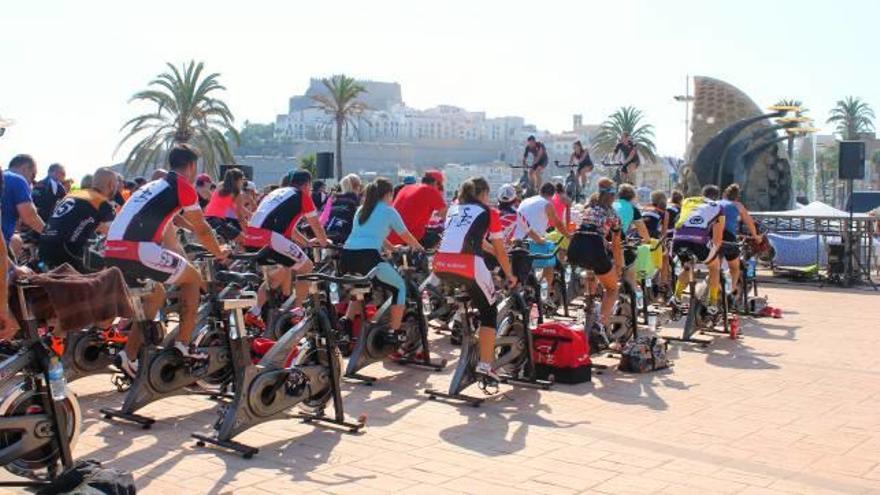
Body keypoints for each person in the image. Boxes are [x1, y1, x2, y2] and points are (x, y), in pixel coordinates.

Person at [104, 144, 229, 377]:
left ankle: (128, 356)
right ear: (192, 166)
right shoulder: (182, 186)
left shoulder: (155, 185)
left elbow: (176, 222)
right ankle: (184, 344)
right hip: (137, 249)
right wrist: (219, 252)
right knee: (192, 279)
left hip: (112, 249)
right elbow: (202, 230)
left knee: (156, 294)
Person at [433, 177, 517, 381]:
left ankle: (470, 339)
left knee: (474, 296)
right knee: (489, 311)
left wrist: (495, 254)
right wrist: (510, 273)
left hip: (441, 264)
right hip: (468, 264)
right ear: (482, 194)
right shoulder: (489, 212)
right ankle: (485, 365)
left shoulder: (454, 208)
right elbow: (499, 248)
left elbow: (473, 239)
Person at [340, 178, 423, 338]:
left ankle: (347, 323)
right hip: (367, 257)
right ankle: (394, 333)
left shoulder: (362, 209)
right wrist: (419, 248)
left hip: (347, 257)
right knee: (399, 287)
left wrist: (391, 248)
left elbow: (371, 233)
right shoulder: (388, 210)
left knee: (359, 288)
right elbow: (405, 235)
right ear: (389, 194)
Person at [244, 170, 329, 327]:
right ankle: (298, 311)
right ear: (307, 185)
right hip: (269, 237)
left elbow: (290, 230)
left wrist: (307, 243)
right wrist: (324, 242)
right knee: (307, 267)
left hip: (250, 237)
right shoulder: (302, 196)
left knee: (285, 269)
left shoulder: (279, 192)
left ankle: (254, 311)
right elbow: (315, 224)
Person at [38, 168, 117, 272]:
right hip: (67, 252)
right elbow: (115, 234)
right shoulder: (102, 203)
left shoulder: (72, 194)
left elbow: (81, 221)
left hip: (43, 247)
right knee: (107, 268)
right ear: (111, 185)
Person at [575, 178, 623, 340]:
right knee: (612, 288)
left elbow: (590, 230)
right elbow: (616, 244)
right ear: (612, 196)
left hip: (577, 249)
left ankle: (589, 305)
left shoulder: (587, 210)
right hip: (595, 250)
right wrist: (619, 265)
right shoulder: (612, 214)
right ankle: (600, 324)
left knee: (592, 272)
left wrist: (604, 242)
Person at [671, 185, 726, 312]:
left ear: (702, 194)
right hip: (698, 240)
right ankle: (712, 303)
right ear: (716, 198)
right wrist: (714, 250)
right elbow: (718, 238)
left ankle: (676, 296)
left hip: (678, 239)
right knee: (714, 267)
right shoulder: (718, 207)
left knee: (687, 265)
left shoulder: (687, 201)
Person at [514, 182, 570, 297]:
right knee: (550, 263)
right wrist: (569, 236)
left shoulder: (526, 200)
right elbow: (558, 224)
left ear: (540, 190)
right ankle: (545, 295)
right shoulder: (546, 204)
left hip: (517, 241)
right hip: (533, 241)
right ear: (553, 194)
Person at [719, 183, 761, 296]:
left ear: (724, 195)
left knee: (714, 266)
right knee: (734, 267)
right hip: (728, 237)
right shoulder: (738, 205)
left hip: (712, 235)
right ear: (737, 197)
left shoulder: (716, 203)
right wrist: (756, 236)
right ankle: (730, 293)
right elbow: (750, 223)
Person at [389, 171, 447, 249]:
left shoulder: (406, 188)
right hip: (408, 239)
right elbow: (447, 216)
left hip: (389, 237)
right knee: (440, 233)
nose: (440, 189)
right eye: (441, 186)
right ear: (436, 183)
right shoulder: (430, 190)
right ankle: (423, 258)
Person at [2, 155, 45, 254]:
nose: (31, 182)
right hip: (2, 244)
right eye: (33, 175)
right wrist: (49, 235)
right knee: (16, 242)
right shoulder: (18, 180)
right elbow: (30, 218)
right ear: (25, 168)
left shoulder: (3, 177)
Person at [204, 168, 248, 244]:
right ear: (238, 180)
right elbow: (240, 216)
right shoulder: (237, 193)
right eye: (242, 180)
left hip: (207, 219)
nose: (243, 182)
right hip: (217, 221)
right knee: (243, 240)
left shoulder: (220, 186)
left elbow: (231, 206)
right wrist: (248, 231)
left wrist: (249, 214)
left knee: (223, 244)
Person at [324, 173, 363, 244]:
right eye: (360, 186)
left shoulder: (333, 200)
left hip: (327, 236)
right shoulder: (355, 202)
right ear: (357, 187)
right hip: (346, 239)